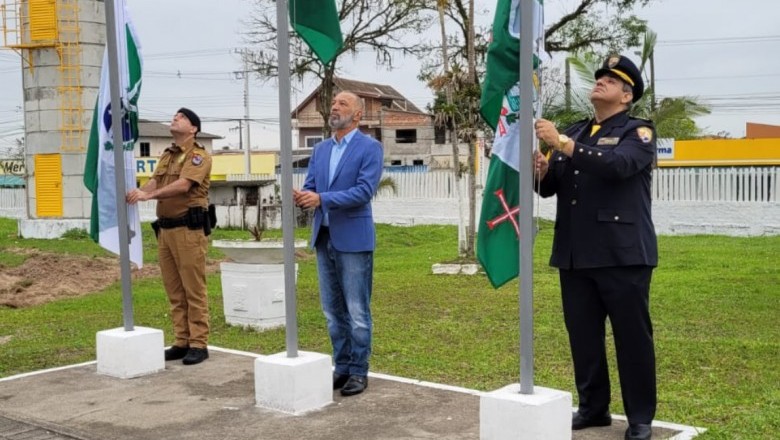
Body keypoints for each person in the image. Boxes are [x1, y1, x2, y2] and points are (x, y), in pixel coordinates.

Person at [533, 55, 658, 440]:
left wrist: (563, 144)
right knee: (583, 336)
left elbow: (617, 166)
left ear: (626, 94)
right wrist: (541, 168)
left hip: (621, 254)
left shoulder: (637, 133)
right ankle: (594, 407)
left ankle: (639, 417)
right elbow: (550, 186)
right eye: (600, 76)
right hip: (575, 251)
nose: (601, 81)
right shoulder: (577, 130)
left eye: (611, 79)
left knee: (631, 338)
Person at [293, 91, 383, 397]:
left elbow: (363, 191)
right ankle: (341, 366)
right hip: (324, 237)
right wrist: (305, 197)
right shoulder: (320, 150)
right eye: (333, 103)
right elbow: (311, 186)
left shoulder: (370, 147)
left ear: (357, 115)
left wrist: (322, 199)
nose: (334, 107)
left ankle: (359, 370)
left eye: (342, 104)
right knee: (332, 311)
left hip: (354, 240)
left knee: (357, 310)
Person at [126, 108, 213, 366]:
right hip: (165, 230)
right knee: (174, 289)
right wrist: (138, 192)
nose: (175, 119)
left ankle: (199, 343)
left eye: (181, 117)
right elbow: (155, 182)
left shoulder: (199, 156)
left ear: (193, 128)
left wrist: (149, 196)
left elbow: (184, 185)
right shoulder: (167, 154)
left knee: (193, 289)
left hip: (188, 230)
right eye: (175, 116)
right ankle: (182, 340)